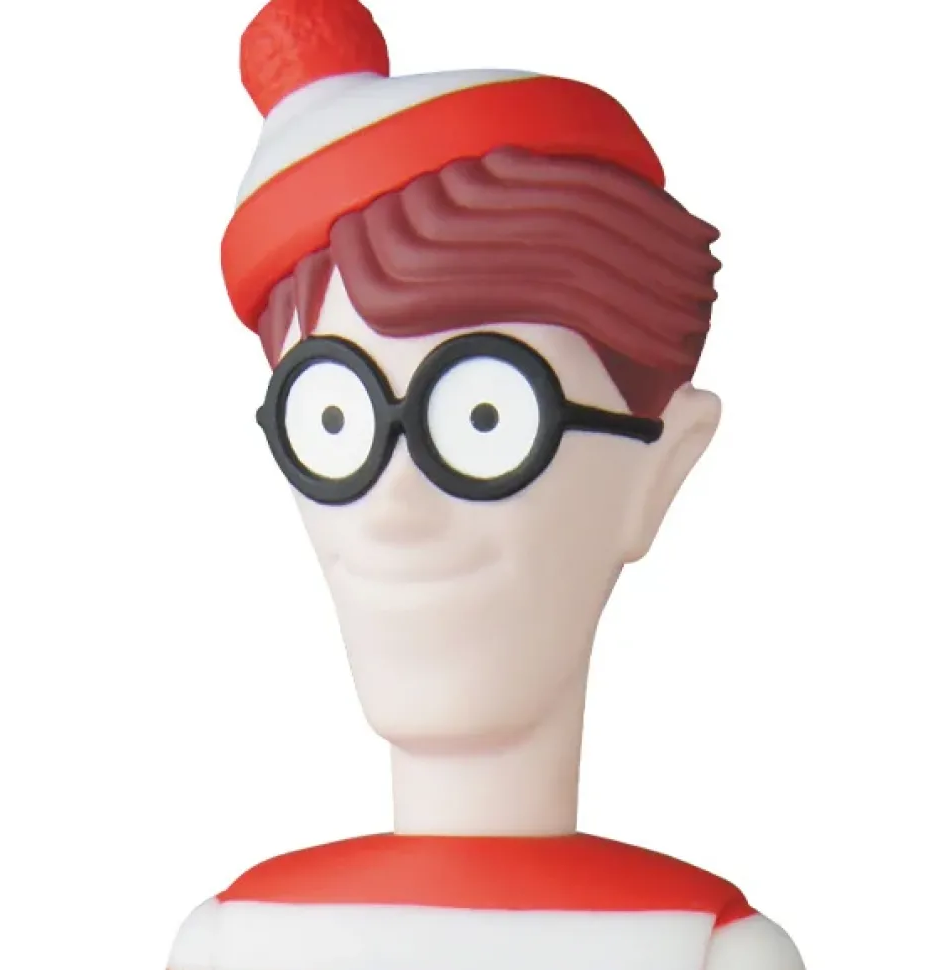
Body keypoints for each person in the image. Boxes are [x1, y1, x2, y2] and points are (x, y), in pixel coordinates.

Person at [168, 1, 805, 967]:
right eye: (333, 424)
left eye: (481, 419)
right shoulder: (234, 943)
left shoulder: (707, 953)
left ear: (661, 470)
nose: (394, 509)